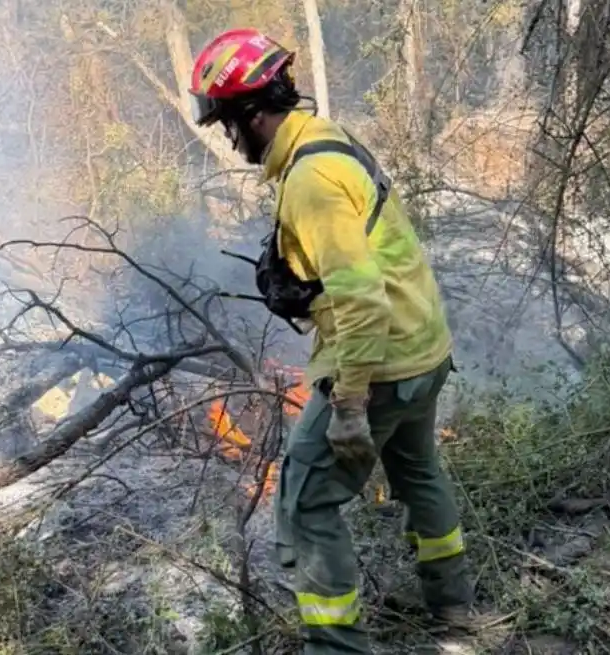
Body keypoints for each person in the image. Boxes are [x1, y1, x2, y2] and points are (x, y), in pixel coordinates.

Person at [188, 28, 477, 653]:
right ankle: (454, 608)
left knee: (306, 506)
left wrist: (348, 408)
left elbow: (361, 296)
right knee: (419, 472)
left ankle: (338, 648)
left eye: (227, 126)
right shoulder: (328, 141)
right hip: (423, 347)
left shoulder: (311, 181)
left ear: (251, 114)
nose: (229, 141)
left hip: (378, 365)